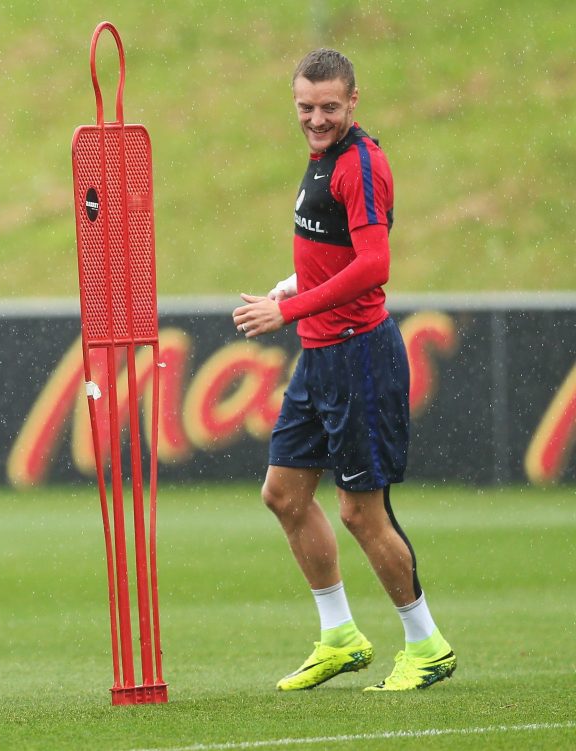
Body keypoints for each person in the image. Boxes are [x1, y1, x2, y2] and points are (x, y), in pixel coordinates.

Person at [232, 49, 456, 692]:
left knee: (362, 511)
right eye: (306, 107)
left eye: (329, 107)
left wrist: (291, 310)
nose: (316, 118)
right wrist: (289, 287)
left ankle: (426, 643)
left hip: (359, 354)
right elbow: (335, 252)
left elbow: (374, 265)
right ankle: (340, 636)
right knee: (283, 494)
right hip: (321, 355)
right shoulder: (322, 160)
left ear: (353, 101)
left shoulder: (360, 164)